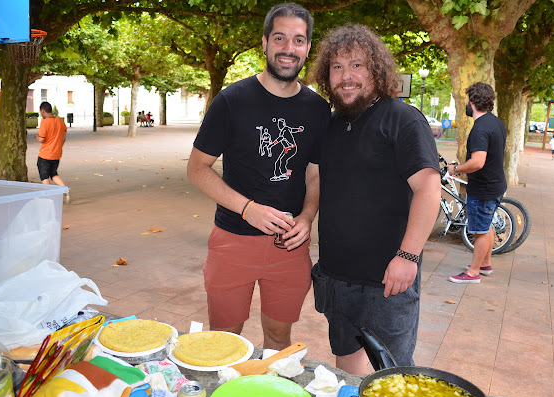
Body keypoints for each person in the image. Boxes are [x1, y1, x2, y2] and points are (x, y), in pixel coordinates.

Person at [186, 3, 329, 350]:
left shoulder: (318, 109)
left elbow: (314, 175)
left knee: (279, 341)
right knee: (223, 342)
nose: (288, 48)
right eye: (280, 38)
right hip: (232, 241)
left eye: (298, 40)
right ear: (265, 43)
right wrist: (248, 208)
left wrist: (308, 218)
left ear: (307, 48)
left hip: (289, 246)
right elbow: (196, 169)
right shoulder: (232, 100)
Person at [310, 24, 441, 374]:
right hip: (336, 278)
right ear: (327, 75)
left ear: (376, 71)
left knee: (392, 375)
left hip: (387, 280)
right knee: (347, 372)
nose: (346, 76)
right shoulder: (332, 125)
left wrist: (408, 255)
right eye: (337, 67)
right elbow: (320, 181)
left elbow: (429, 189)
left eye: (357, 65)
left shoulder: (401, 118)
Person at [447, 82, 507, 283]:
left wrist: (456, 169)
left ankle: (473, 272)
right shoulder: (497, 123)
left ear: (472, 102)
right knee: (486, 225)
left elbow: (477, 162)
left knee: (480, 231)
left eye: (466, 100)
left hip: (483, 189)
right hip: (496, 185)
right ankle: (485, 264)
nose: (465, 103)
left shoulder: (479, 129)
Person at [36, 101, 69, 203]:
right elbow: (64, 138)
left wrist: (36, 136)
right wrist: (58, 147)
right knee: (53, 173)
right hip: (57, 154)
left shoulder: (45, 122)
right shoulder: (60, 121)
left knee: (44, 176)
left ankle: (49, 197)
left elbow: (41, 139)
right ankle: (65, 190)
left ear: (42, 110)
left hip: (45, 154)